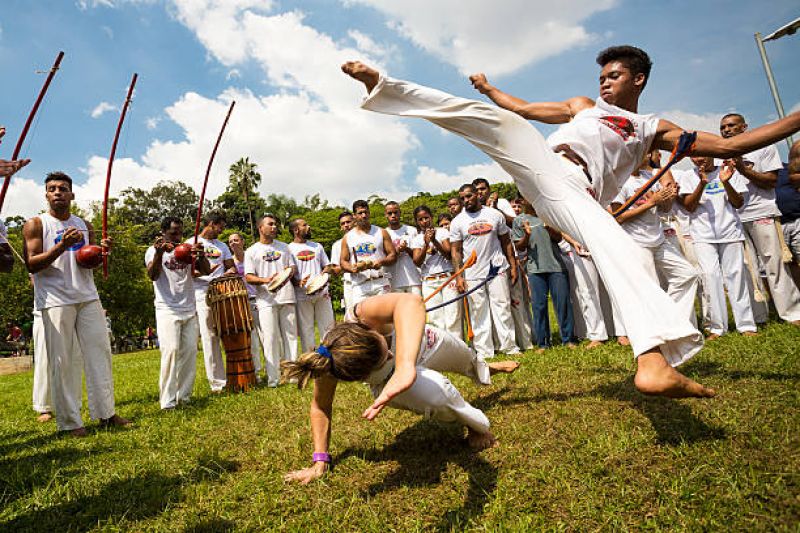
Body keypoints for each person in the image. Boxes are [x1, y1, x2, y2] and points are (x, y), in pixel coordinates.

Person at [342, 44, 800, 397]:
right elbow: (522, 109)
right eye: (601, 76)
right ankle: (384, 86)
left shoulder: (653, 129)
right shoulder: (584, 105)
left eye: (615, 76)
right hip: (542, 164)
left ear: (638, 80)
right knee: (493, 119)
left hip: (572, 192)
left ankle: (652, 363)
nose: (604, 84)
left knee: (622, 253)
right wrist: (489, 90)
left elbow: (730, 148)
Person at [282, 293, 520, 484]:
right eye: (383, 360)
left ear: (367, 329)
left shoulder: (361, 314)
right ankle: (476, 427)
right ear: (363, 376)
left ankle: (486, 368)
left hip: (426, 344)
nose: (390, 354)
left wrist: (405, 364)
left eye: (383, 346)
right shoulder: (331, 365)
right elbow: (320, 407)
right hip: (391, 385)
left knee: (468, 359)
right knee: (438, 396)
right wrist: (320, 461)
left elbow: (409, 301)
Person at [22, 171, 129, 435]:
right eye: (52, 188)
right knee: (63, 361)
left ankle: (106, 413)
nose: (57, 192)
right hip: (55, 300)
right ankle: (70, 423)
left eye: (62, 188)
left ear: (72, 194)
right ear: (46, 194)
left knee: (100, 355)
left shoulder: (85, 224)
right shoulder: (36, 224)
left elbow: (87, 260)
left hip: (87, 295)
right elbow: (31, 264)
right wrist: (61, 246)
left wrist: (101, 253)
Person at [610, 150, 700, 339]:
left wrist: (668, 198)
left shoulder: (649, 176)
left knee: (688, 275)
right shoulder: (619, 181)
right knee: (649, 289)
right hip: (637, 243)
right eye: (644, 152)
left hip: (658, 239)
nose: (648, 155)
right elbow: (617, 217)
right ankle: (650, 334)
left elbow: (664, 209)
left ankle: (671, 321)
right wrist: (651, 202)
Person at [719, 113, 800, 325]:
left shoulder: (763, 147)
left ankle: (792, 313)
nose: (726, 130)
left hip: (762, 212)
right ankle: (759, 315)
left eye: (731, 126)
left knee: (775, 264)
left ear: (744, 127)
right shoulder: (721, 155)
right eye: (723, 127)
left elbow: (771, 181)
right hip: (735, 217)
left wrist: (743, 169)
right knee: (748, 267)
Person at [676, 158, 756, 338]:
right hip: (703, 236)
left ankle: (746, 325)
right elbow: (689, 206)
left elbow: (738, 203)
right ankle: (717, 328)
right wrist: (702, 183)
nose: (698, 159)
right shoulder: (688, 176)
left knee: (736, 276)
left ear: (712, 154)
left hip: (730, 232)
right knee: (711, 278)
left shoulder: (728, 171)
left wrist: (725, 182)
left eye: (702, 154)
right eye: (694, 156)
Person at [449, 183, 519, 359]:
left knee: (502, 307)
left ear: (476, 195)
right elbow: (456, 251)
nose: (466, 200)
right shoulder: (457, 221)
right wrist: (459, 277)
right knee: (478, 311)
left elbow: (506, 242)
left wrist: (513, 265)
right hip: (473, 273)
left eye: (469, 196)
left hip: (497, 268)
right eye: (462, 198)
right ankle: (485, 351)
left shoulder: (494, 215)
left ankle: (509, 347)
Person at [146, 217, 209, 409]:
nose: (177, 237)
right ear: (164, 232)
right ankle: (167, 401)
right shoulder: (153, 250)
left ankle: (185, 397)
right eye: (173, 233)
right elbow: (153, 275)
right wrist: (158, 254)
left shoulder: (187, 249)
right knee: (171, 351)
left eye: (180, 232)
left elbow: (205, 270)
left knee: (190, 352)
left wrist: (200, 255)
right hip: (167, 309)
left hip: (189, 307)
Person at [513, 196, 575, 350]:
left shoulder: (548, 214)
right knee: (539, 307)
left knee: (563, 304)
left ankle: (568, 339)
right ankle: (543, 343)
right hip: (535, 269)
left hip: (556, 267)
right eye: (526, 196)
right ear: (521, 201)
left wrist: (549, 227)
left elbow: (559, 237)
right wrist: (526, 235)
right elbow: (519, 247)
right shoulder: (519, 221)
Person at [244, 214, 299, 387]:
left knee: (290, 336)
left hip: (287, 296)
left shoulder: (284, 247)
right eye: (270, 224)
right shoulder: (252, 251)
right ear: (261, 228)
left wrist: (285, 275)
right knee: (270, 338)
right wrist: (267, 280)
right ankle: (273, 379)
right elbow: (249, 276)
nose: (274, 227)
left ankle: (293, 375)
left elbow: (292, 267)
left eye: (275, 224)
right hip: (265, 300)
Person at [188, 210, 235, 393]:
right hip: (201, 293)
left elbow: (231, 267)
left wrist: (226, 273)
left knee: (227, 333)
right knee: (210, 336)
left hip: (222, 291)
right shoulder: (190, 243)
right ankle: (217, 383)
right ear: (211, 224)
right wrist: (205, 273)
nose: (221, 231)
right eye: (220, 227)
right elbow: (188, 272)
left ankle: (234, 374)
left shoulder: (222, 246)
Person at [410, 205, 462, 338]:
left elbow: (449, 254)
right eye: (420, 219)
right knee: (435, 317)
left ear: (431, 218)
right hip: (429, 280)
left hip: (447, 277)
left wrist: (434, 241)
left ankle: (458, 348)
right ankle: (443, 347)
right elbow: (417, 261)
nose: (424, 221)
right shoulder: (416, 239)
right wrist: (426, 244)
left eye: (426, 218)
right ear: (417, 222)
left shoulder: (443, 232)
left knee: (453, 314)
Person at [288, 217, 335, 351]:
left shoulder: (317, 246)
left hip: (322, 294)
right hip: (302, 296)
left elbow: (327, 266)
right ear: (296, 230)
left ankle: (329, 359)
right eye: (305, 225)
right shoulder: (289, 249)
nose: (309, 227)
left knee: (328, 329)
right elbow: (288, 273)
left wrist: (322, 277)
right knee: (306, 331)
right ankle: (310, 362)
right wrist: (297, 282)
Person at [339, 200, 397, 303]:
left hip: (380, 281)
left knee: (383, 317)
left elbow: (393, 255)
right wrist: (352, 268)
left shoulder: (381, 232)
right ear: (354, 216)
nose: (364, 215)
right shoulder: (348, 237)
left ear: (369, 213)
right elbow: (343, 261)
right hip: (360, 285)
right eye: (360, 213)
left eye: (366, 212)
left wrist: (381, 262)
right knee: (362, 318)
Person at [228, 232, 265, 382]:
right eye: (230, 241)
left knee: (267, 336)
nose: (233, 243)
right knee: (252, 340)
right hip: (242, 303)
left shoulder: (252, 256)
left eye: (236, 240)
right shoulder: (229, 262)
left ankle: (276, 368)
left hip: (259, 298)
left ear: (243, 241)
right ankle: (256, 372)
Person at [384, 201, 422, 295]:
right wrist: (397, 250)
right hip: (393, 282)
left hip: (414, 280)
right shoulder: (383, 233)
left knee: (416, 308)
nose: (393, 215)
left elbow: (419, 256)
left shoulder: (412, 230)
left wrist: (406, 249)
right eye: (390, 213)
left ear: (400, 213)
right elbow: (384, 258)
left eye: (395, 212)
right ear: (385, 215)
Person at [777, 140, 800, 286]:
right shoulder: (752, 175)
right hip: (776, 225)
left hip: (796, 220)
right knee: (787, 265)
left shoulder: (788, 170)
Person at [329, 211, 355, 311]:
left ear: (355, 222)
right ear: (340, 227)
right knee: (352, 317)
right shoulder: (337, 245)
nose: (346, 225)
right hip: (349, 284)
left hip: (369, 281)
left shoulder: (366, 238)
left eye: (348, 222)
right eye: (343, 223)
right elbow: (336, 269)